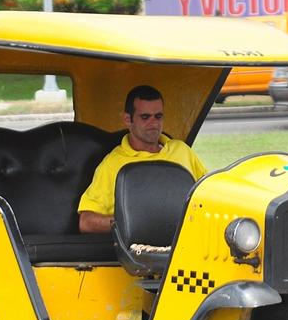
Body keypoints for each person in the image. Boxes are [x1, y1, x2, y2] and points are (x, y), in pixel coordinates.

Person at [78, 85, 207, 233]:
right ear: (128, 119)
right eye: (145, 117)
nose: (153, 123)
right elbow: (86, 222)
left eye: (158, 116)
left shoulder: (182, 150)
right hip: (139, 249)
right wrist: (129, 221)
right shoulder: (113, 164)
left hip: (188, 241)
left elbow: (211, 193)